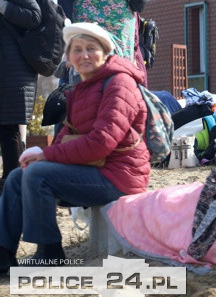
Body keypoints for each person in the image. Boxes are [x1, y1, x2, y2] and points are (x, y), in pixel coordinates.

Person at [0, 22, 149, 273]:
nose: (84, 55)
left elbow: (101, 143)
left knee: (37, 175)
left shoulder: (119, 84)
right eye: (77, 50)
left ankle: (49, 252)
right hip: (94, 171)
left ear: (106, 53)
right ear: (68, 58)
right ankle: (3, 254)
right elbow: (69, 133)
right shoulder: (83, 86)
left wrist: (45, 155)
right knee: (17, 176)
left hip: (120, 175)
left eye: (92, 48)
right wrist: (43, 157)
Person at [0, 0, 42, 188]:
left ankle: (13, 184)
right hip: (9, 67)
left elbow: (34, 16)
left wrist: (2, 5)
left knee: (11, 129)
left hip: (16, 69)